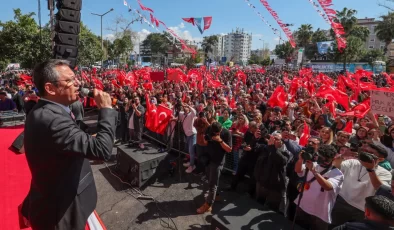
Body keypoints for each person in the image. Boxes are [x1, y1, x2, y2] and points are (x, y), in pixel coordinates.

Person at [21, 59, 117, 229]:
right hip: (60, 214)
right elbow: (102, 150)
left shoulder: (50, 110)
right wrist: (106, 110)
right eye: (70, 80)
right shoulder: (52, 119)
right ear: (50, 88)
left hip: (56, 197)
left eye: (76, 78)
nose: (77, 84)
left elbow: (65, 142)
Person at [294, 144, 344, 230]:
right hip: (303, 205)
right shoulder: (313, 164)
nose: (322, 160)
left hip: (320, 213)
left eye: (325, 159)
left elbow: (327, 187)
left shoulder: (337, 173)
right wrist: (300, 159)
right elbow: (298, 170)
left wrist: (314, 171)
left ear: (333, 159)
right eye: (320, 156)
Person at [197, 122, 232, 214]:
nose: (216, 134)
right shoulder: (209, 129)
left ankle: (208, 205)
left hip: (218, 162)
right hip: (209, 160)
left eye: (218, 133)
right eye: (215, 133)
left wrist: (220, 140)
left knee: (213, 185)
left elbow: (229, 149)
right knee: (209, 180)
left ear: (221, 129)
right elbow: (204, 143)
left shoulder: (226, 133)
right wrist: (201, 134)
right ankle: (216, 196)